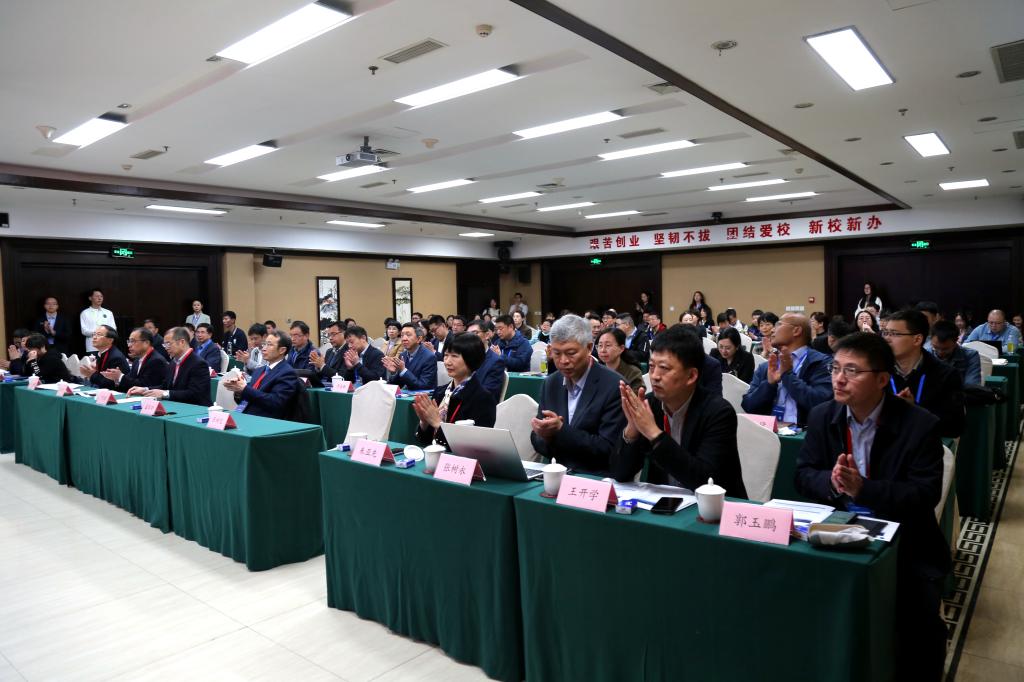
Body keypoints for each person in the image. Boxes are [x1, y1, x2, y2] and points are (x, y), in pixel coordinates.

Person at [794, 332, 949, 681]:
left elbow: (925, 494)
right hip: (836, 532)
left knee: (917, 636)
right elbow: (802, 475)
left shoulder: (920, 425)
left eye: (852, 371)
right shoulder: (822, 415)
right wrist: (832, 481)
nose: (839, 379)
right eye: (835, 368)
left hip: (907, 544)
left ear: (882, 379)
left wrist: (865, 490)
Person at [613, 325, 747, 496]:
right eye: (652, 367)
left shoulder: (718, 412)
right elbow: (620, 473)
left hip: (716, 507)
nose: (654, 376)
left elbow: (706, 481)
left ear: (691, 376)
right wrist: (632, 430)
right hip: (664, 503)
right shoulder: (649, 405)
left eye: (664, 368)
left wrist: (653, 433)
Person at [530, 315, 626, 475]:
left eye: (571, 353)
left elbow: (609, 449)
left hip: (596, 478)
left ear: (589, 348)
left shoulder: (614, 386)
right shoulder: (551, 383)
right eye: (557, 353)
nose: (563, 361)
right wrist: (545, 436)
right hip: (558, 474)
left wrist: (561, 431)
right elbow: (538, 440)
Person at [882, 309, 965, 437]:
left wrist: (914, 409)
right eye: (885, 333)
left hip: (925, 443)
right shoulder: (878, 369)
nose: (886, 339)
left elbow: (953, 427)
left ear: (917, 339)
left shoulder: (945, 374)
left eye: (894, 334)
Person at [741, 313, 832, 426]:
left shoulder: (821, 363)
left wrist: (788, 375)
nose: (772, 330)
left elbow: (821, 403)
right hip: (770, 431)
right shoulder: (767, 366)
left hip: (805, 432)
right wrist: (769, 385)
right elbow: (748, 406)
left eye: (779, 324)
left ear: (796, 331)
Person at [412, 332, 496, 448]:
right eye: (446, 355)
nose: (447, 362)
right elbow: (426, 441)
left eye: (454, 356)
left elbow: (476, 446)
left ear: (471, 359)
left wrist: (437, 423)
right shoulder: (440, 392)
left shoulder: (483, 398)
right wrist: (425, 422)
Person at [222, 331, 301, 419]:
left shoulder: (287, 373)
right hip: (245, 414)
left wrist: (244, 389)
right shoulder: (259, 370)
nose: (263, 348)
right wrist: (238, 391)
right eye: (264, 344)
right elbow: (247, 397)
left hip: (266, 419)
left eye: (269, 345)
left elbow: (276, 402)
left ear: (282, 350)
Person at [128, 327, 212, 406]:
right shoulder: (173, 362)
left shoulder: (198, 364)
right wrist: (145, 390)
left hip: (197, 409)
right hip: (177, 406)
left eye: (168, 344)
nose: (166, 348)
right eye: (164, 345)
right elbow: (165, 386)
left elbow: (195, 394)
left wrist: (165, 394)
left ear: (182, 342)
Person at [100, 328, 169, 391]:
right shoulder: (137, 360)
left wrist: (120, 376)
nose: (129, 345)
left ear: (146, 343)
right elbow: (130, 382)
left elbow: (144, 386)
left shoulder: (156, 360)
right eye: (129, 341)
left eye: (133, 341)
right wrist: (116, 378)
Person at [384, 323, 437, 390]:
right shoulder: (403, 355)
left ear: (419, 339)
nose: (404, 339)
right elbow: (397, 384)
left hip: (423, 395)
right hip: (406, 394)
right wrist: (393, 372)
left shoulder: (429, 357)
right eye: (402, 335)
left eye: (408, 335)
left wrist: (403, 370)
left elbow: (423, 386)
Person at [930, 320, 981, 386]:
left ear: (956, 341)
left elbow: (971, 386)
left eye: (945, 349)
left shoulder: (970, 356)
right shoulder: (926, 354)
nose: (940, 352)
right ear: (930, 339)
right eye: (935, 347)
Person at [466, 320, 507, 401]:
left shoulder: (496, 362)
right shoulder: (465, 357)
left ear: (487, 335)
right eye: (468, 334)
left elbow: (487, 394)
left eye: (475, 333)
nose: (470, 338)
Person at [597, 328, 643, 392]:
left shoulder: (633, 373)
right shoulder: (596, 370)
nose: (603, 350)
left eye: (608, 345)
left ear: (621, 348)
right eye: (600, 345)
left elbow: (635, 396)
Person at [79, 288, 116, 353]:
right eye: (97, 296)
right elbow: (84, 331)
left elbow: (113, 329)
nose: (100, 298)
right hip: (92, 347)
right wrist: (98, 333)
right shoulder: (85, 313)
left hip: (106, 346)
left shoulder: (108, 312)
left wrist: (104, 334)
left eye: (101, 296)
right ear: (90, 298)